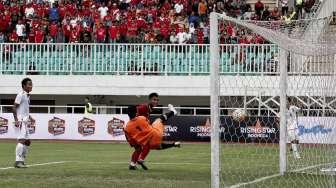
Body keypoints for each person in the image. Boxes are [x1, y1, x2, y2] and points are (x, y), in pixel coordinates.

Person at [124, 104, 180, 170]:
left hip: (148, 144)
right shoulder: (142, 118)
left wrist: (137, 145)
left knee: (140, 148)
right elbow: (148, 123)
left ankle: (133, 164)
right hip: (156, 135)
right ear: (136, 113)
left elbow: (131, 141)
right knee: (159, 120)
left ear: (127, 114)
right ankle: (173, 112)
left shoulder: (127, 128)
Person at [13, 78, 33, 168]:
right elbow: (14, 107)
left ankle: (22, 161)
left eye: (31, 84)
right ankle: (18, 161)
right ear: (24, 86)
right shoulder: (20, 94)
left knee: (27, 142)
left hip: (25, 120)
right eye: (29, 84)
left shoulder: (27, 95)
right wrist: (16, 120)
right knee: (21, 140)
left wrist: (30, 116)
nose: (31, 86)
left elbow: (24, 108)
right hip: (20, 121)